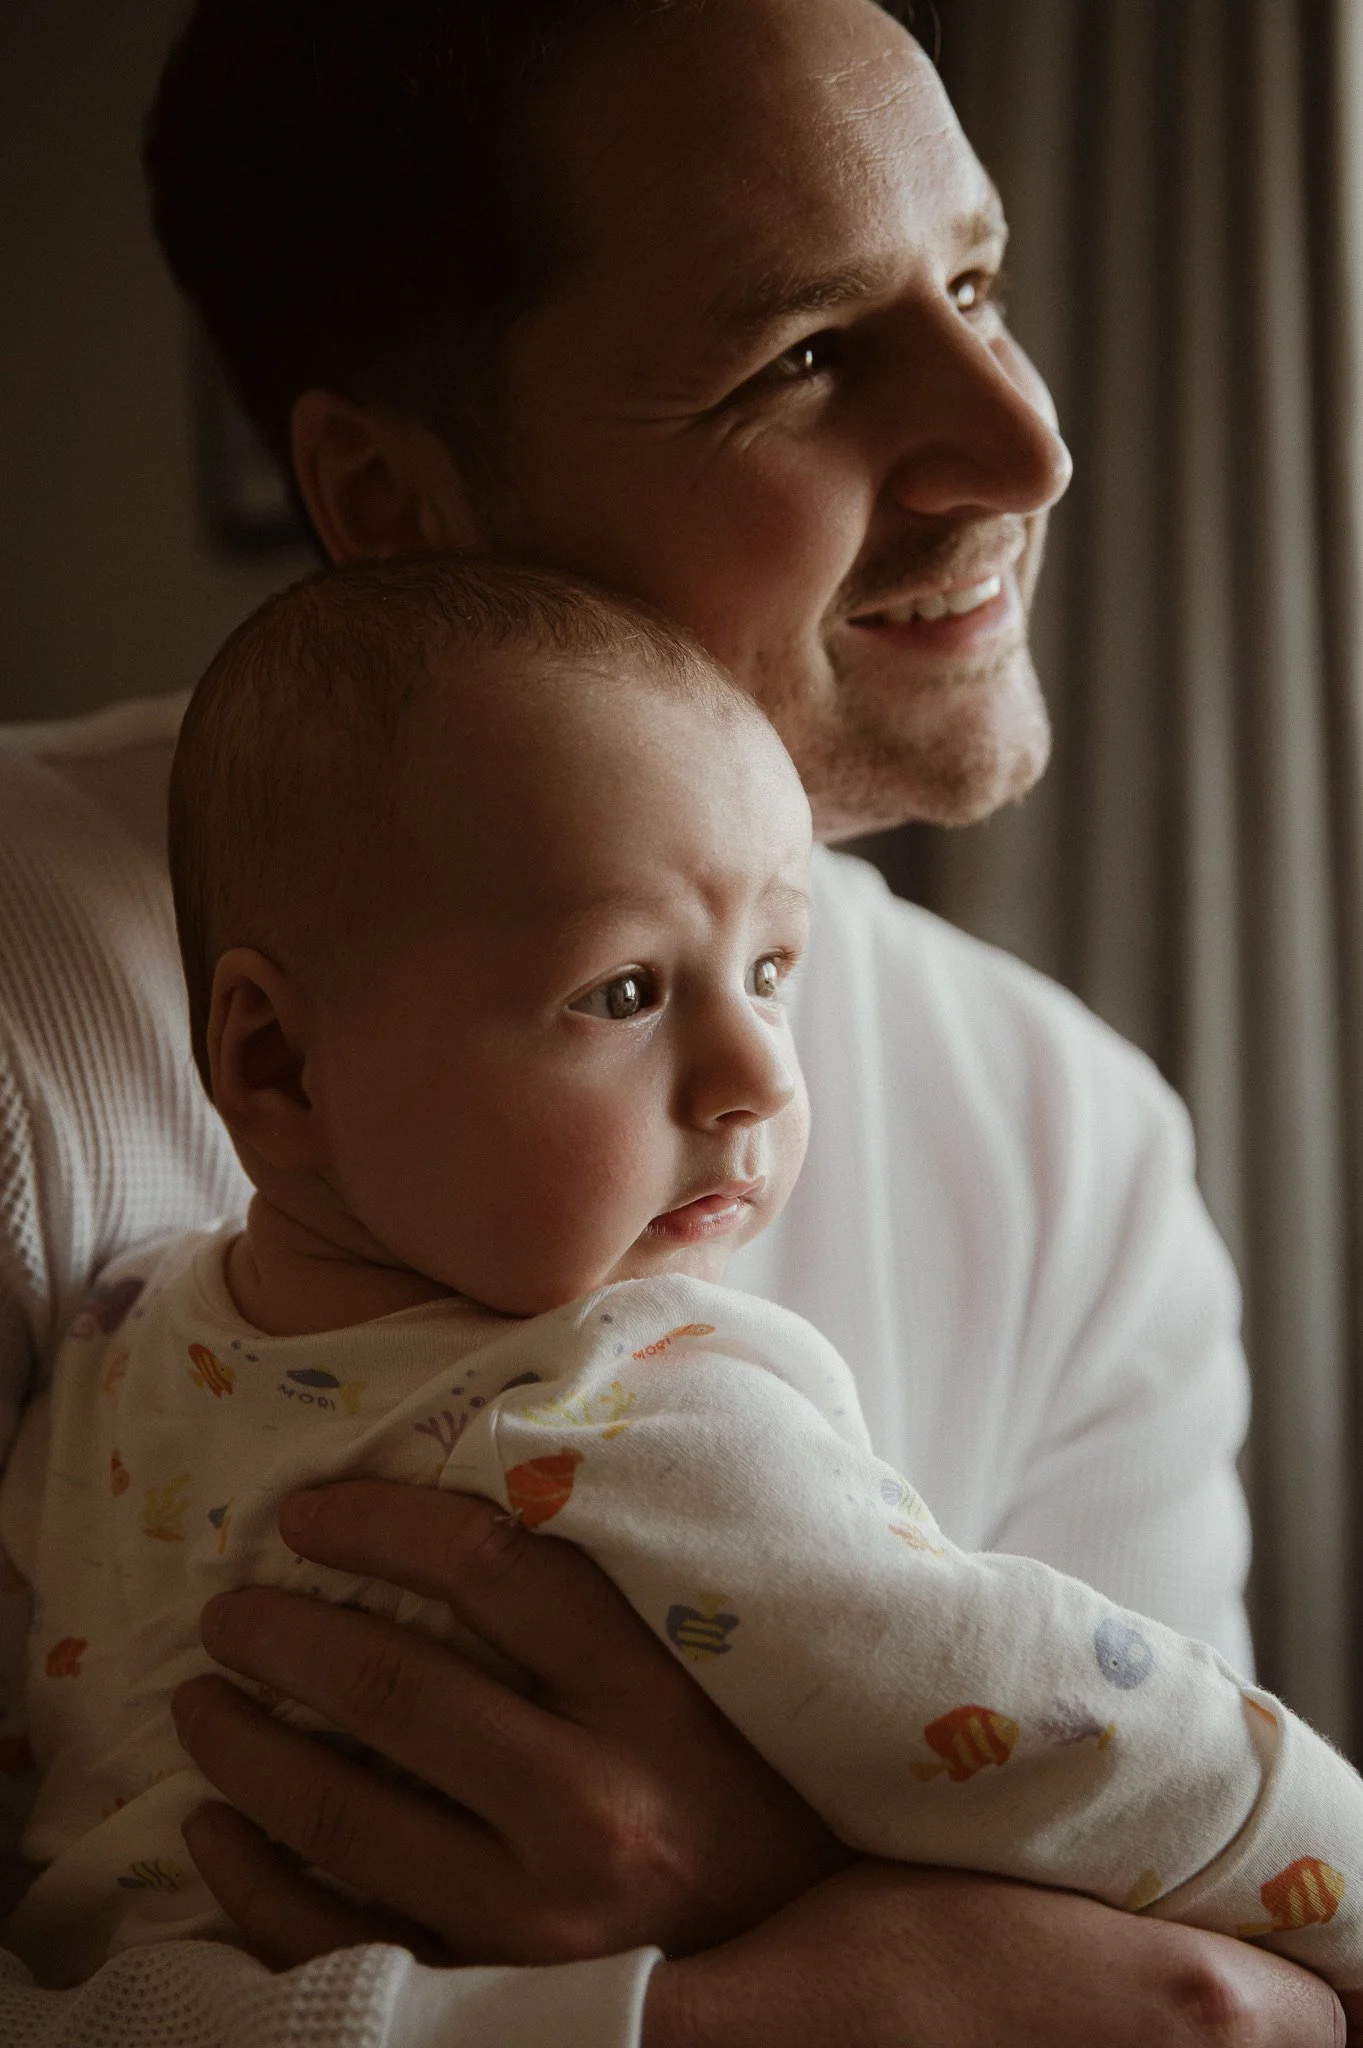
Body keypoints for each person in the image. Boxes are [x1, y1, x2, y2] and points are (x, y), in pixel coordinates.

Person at [0, 0, 1341, 2042]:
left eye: (975, 281)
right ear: (389, 494)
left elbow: (1221, 2001)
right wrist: (693, 2004)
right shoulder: (30, 1018)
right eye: (801, 356)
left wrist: (756, 1869)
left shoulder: (1084, 1146)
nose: (1031, 441)